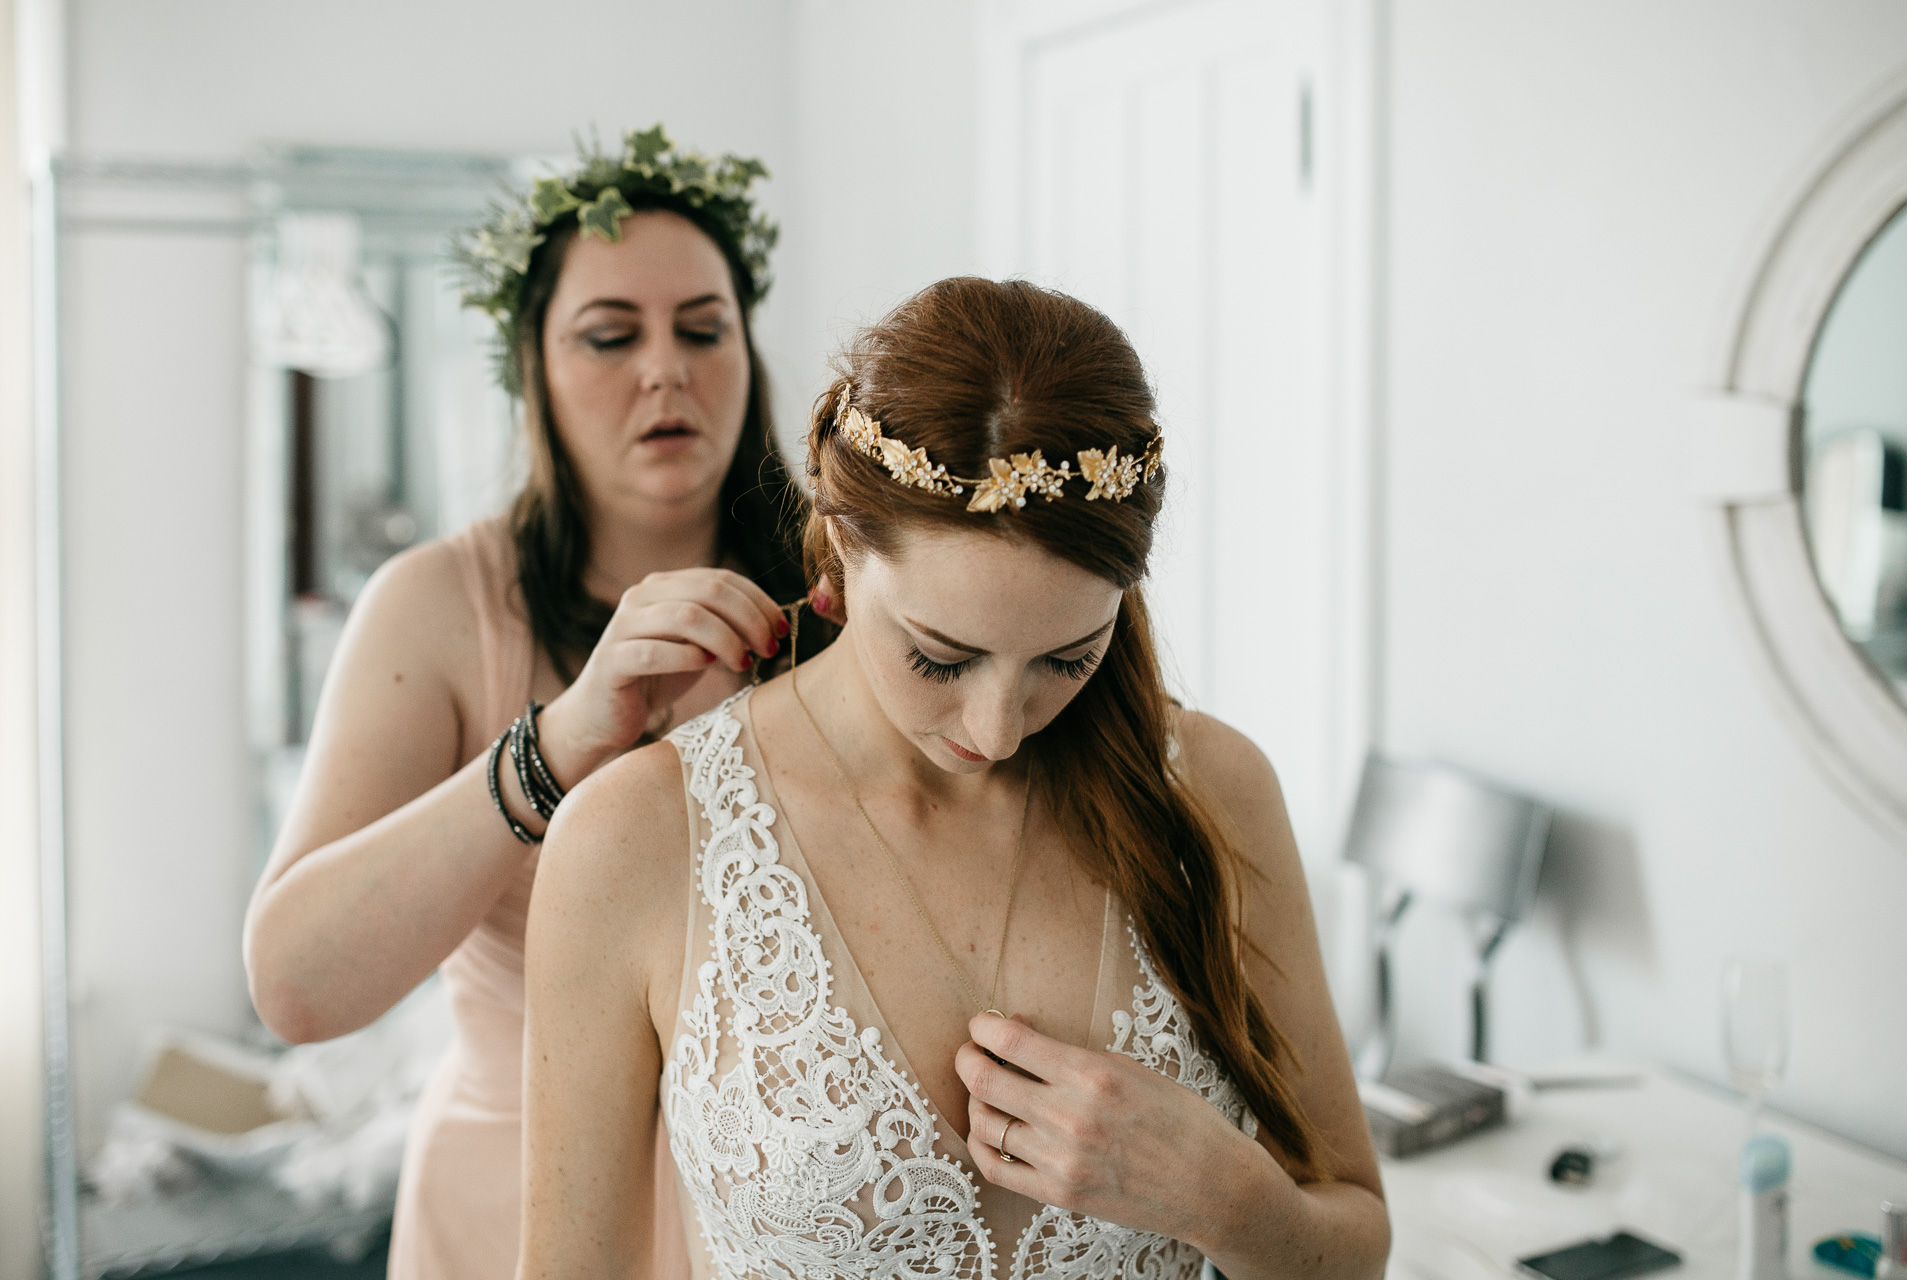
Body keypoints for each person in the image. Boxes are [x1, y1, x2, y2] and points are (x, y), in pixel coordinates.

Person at [520, 277, 1391, 1280]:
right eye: (940, 656)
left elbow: (1354, 1245)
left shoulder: (1217, 788)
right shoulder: (638, 836)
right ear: (843, 539)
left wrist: (1227, 1197)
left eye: (1069, 658)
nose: (999, 727)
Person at [243, 126, 823, 1280]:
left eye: (704, 330)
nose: (666, 369)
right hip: (511, 1207)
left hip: (786, 1208)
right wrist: (554, 746)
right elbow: (296, 985)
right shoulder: (437, 607)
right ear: (533, 372)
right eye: (612, 336)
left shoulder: (837, 587)